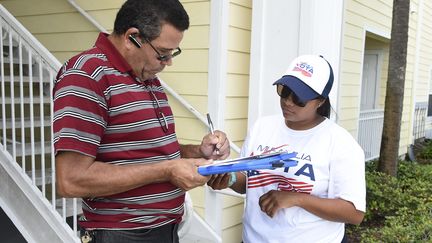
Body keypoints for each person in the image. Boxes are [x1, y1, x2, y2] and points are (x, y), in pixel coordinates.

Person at [52, 0, 230, 242]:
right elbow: (71, 180)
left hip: (166, 228)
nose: (168, 63)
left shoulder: (148, 78)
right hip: (122, 234)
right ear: (132, 37)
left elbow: (149, 154)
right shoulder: (86, 75)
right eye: (163, 54)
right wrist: (167, 171)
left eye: (172, 54)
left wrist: (196, 151)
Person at [208, 55, 366, 243]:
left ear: (321, 101)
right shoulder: (262, 127)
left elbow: (354, 213)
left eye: (299, 98)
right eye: (285, 91)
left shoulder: (340, 142)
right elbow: (247, 182)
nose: (288, 102)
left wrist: (296, 198)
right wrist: (229, 178)